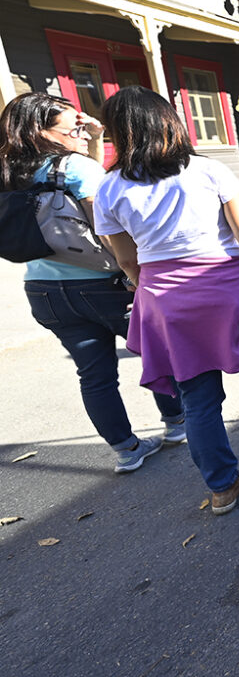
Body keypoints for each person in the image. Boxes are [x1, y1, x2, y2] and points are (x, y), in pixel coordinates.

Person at [93, 87, 239, 515]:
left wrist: (154, 288)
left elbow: (126, 260)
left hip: (165, 297)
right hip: (229, 285)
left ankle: (222, 486)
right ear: (169, 121)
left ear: (118, 132)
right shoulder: (209, 170)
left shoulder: (108, 189)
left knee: (196, 395)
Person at [0, 91, 184, 474]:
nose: (83, 133)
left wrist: (94, 138)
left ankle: (126, 450)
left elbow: (74, 185)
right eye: (74, 129)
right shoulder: (75, 167)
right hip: (105, 285)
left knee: (94, 375)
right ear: (41, 132)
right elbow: (106, 229)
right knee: (157, 353)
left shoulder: (9, 170)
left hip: (44, 291)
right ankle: (177, 422)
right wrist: (136, 274)